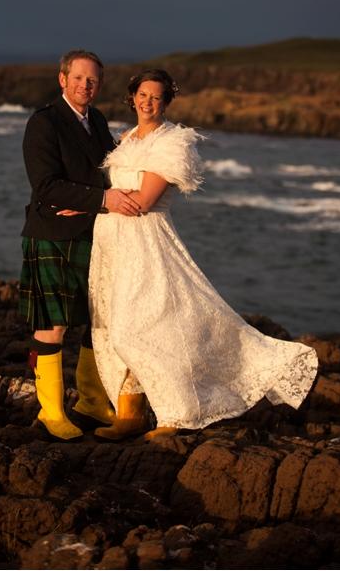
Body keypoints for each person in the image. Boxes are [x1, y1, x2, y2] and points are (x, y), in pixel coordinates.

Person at [84, 69, 319, 440]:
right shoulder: (125, 138)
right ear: (132, 97)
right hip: (111, 241)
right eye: (142, 95)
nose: (148, 102)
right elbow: (114, 189)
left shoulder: (171, 142)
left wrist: (99, 202)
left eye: (156, 97)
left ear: (165, 102)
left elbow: (144, 201)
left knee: (140, 329)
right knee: (115, 328)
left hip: (144, 240)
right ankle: (128, 414)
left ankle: (176, 414)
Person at [20, 49, 140, 440]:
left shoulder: (98, 121)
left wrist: (88, 201)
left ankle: (90, 402)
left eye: (92, 80)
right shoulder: (45, 122)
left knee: (97, 320)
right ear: (62, 79)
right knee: (52, 325)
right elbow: (46, 186)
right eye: (78, 78)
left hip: (92, 233)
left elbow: (104, 174)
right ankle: (51, 413)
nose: (85, 85)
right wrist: (99, 200)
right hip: (52, 234)